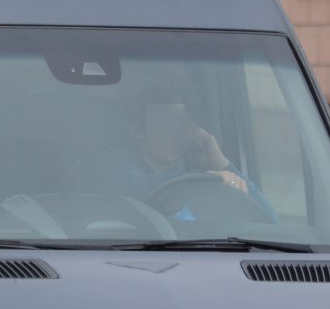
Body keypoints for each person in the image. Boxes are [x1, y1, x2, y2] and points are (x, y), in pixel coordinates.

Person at [110, 87, 276, 221]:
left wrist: (220, 163)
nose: (173, 130)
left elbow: (267, 219)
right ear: (138, 129)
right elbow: (131, 188)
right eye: (162, 121)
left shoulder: (201, 173)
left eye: (180, 121)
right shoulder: (114, 161)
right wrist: (207, 180)